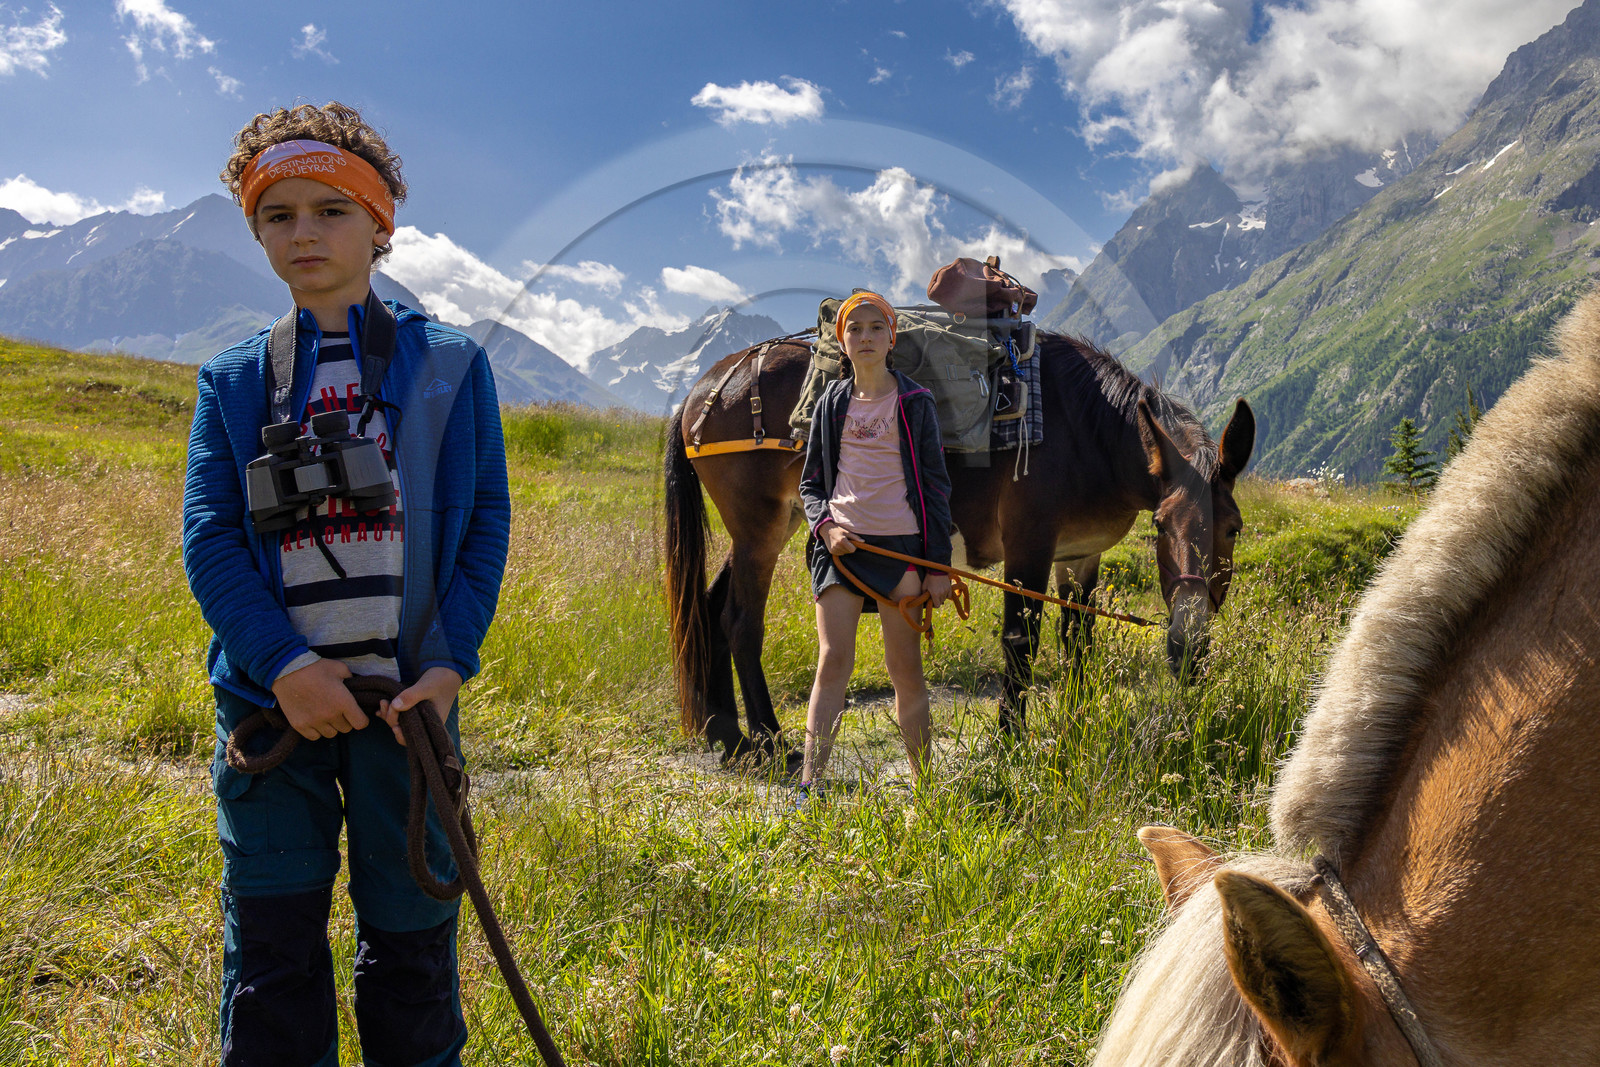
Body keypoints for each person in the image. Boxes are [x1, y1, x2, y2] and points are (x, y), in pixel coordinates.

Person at [182, 102, 509, 1066]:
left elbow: (484, 520)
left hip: (405, 710)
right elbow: (210, 539)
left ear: (380, 225)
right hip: (273, 708)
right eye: (277, 215)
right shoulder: (234, 381)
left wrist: (447, 666)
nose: (304, 233)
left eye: (330, 209)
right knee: (273, 955)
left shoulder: (453, 365)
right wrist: (284, 666)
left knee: (411, 950)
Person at [797, 291, 953, 793]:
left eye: (874, 328)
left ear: (891, 338)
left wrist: (937, 567)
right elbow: (812, 485)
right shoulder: (830, 403)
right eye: (854, 329)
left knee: (904, 670)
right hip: (839, 549)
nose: (865, 337)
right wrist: (826, 528)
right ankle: (809, 785)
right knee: (832, 662)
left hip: (899, 550)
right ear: (842, 342)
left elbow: (935, 488)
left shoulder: (915, 403)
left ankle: (924, 787)